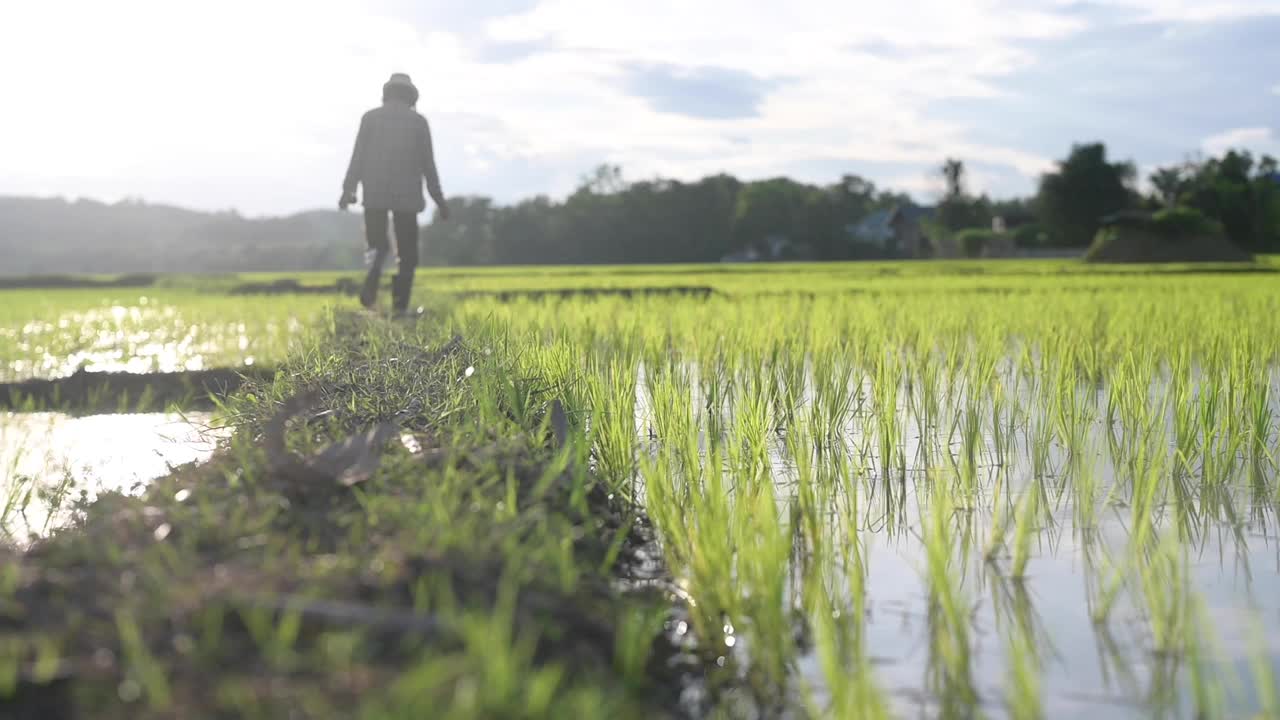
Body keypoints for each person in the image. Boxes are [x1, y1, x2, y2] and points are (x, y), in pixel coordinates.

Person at [340, 73, 449, 314]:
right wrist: (440, 201)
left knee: (376, 246)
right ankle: (400, 307)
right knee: (407, 254)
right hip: (407, 198)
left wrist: (348, 190)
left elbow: (357, 157)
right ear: (411, 96)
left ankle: (372, 279)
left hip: (374, 194)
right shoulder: (418, 122)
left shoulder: (370, 118)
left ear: (387, 93)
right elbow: (428, 165)